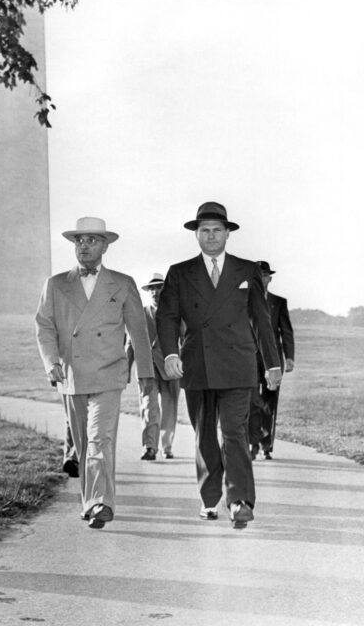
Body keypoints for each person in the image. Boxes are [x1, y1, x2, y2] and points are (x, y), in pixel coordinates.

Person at [156, 202, 281, 528]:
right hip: (196, 365)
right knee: (204, 437)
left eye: (216, 230)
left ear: (227, 233)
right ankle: (209, 498)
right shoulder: (179, 273)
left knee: (234, 432)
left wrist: (272, 363)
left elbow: (261, 320)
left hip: (238, 365)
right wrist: (171, 354)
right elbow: (166, 316)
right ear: (197, 235)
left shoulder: (246, 270)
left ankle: (239, 500)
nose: (211, 236)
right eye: (204, 230)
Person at [36, 216, 154, 529]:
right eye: (79, 240)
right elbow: (44, 327)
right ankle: (89, 501)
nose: (84, 246)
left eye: (91, 240)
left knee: (101, 438)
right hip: (71, 374)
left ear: (105, 246)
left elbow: (138, 331)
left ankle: (102, 502)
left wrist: (145, 373)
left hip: (109, 373)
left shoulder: (123, 282)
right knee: (84, 442)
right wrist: (52, 363)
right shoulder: (56, 284)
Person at [126, 273, 181, 460]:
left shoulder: (176, 314)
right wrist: (126, 370)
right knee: (149, 408)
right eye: (152, 289)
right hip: (146, 369)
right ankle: (150, 447)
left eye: (159, 288)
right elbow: (130, 344)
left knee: (169, 409)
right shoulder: (139, 314)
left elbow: (187, 340)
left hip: (171, 368)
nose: (156, 292)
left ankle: (167, 446)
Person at [249, 260, 295, 460]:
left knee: (270, 402)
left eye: (265, 275)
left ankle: (266, 446)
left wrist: (290, 356)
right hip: (249, 359)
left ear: (269, 278)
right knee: (251, 400)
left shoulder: (279, 302)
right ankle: (253, 443)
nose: (261, 279)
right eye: (257, 275)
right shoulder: (244, 299)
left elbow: (286, 331)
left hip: (274, 360)